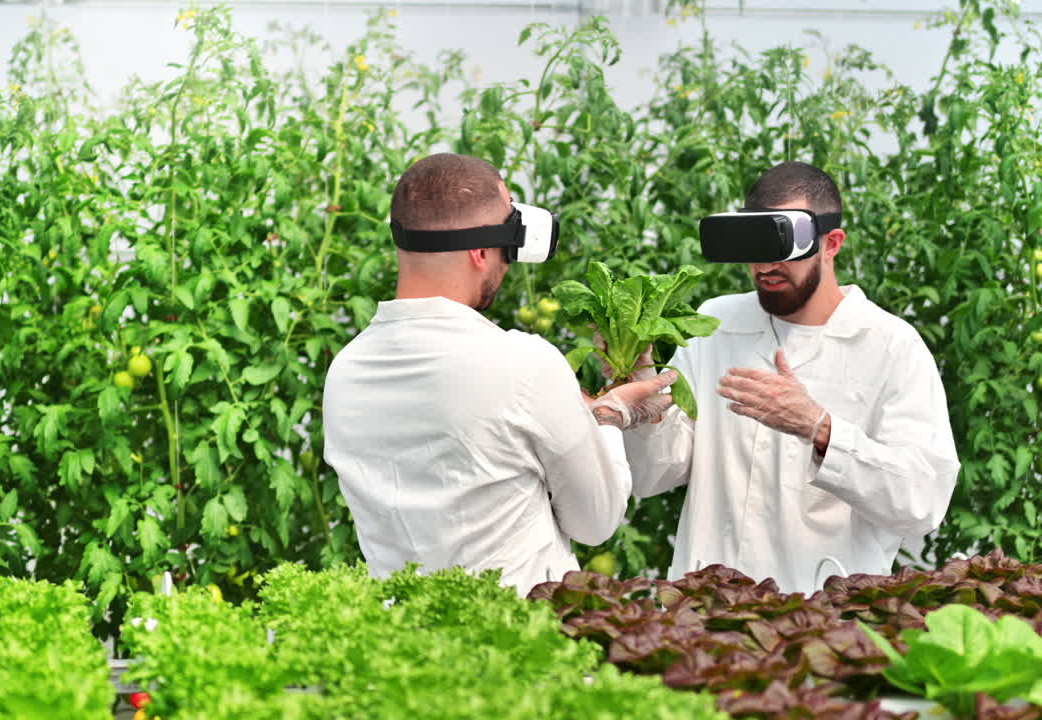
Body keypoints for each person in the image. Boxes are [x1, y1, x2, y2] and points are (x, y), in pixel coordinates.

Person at [322, 153, 677, 596]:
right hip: (515, 640)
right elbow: (596, 521)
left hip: (400, 639)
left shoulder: (346, 371)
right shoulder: (526, 363)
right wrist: (609, 416)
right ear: (480, 251)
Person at [621, 161, 961, 595]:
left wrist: (822, 430)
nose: (765, 267)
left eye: (781, 246)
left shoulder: (890, 345)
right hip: (705, 614)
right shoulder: (716, 322)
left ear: (831, 243)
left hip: (824, 620)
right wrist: (643, 407)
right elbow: (654, 475)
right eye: (754, 246)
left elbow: (923, 501)